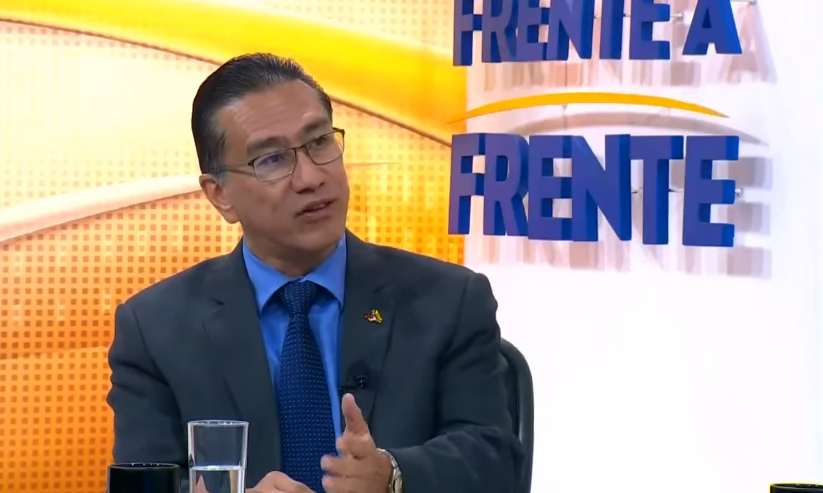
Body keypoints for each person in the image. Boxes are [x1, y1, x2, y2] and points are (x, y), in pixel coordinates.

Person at [107, 53, 523, 493]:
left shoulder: (449, 300)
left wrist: (392, 475)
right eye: (271, 160)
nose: (310, 177)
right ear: (220, 195)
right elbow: (143, 483)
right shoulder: (155, 329)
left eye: (320, 142)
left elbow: (494, 460)